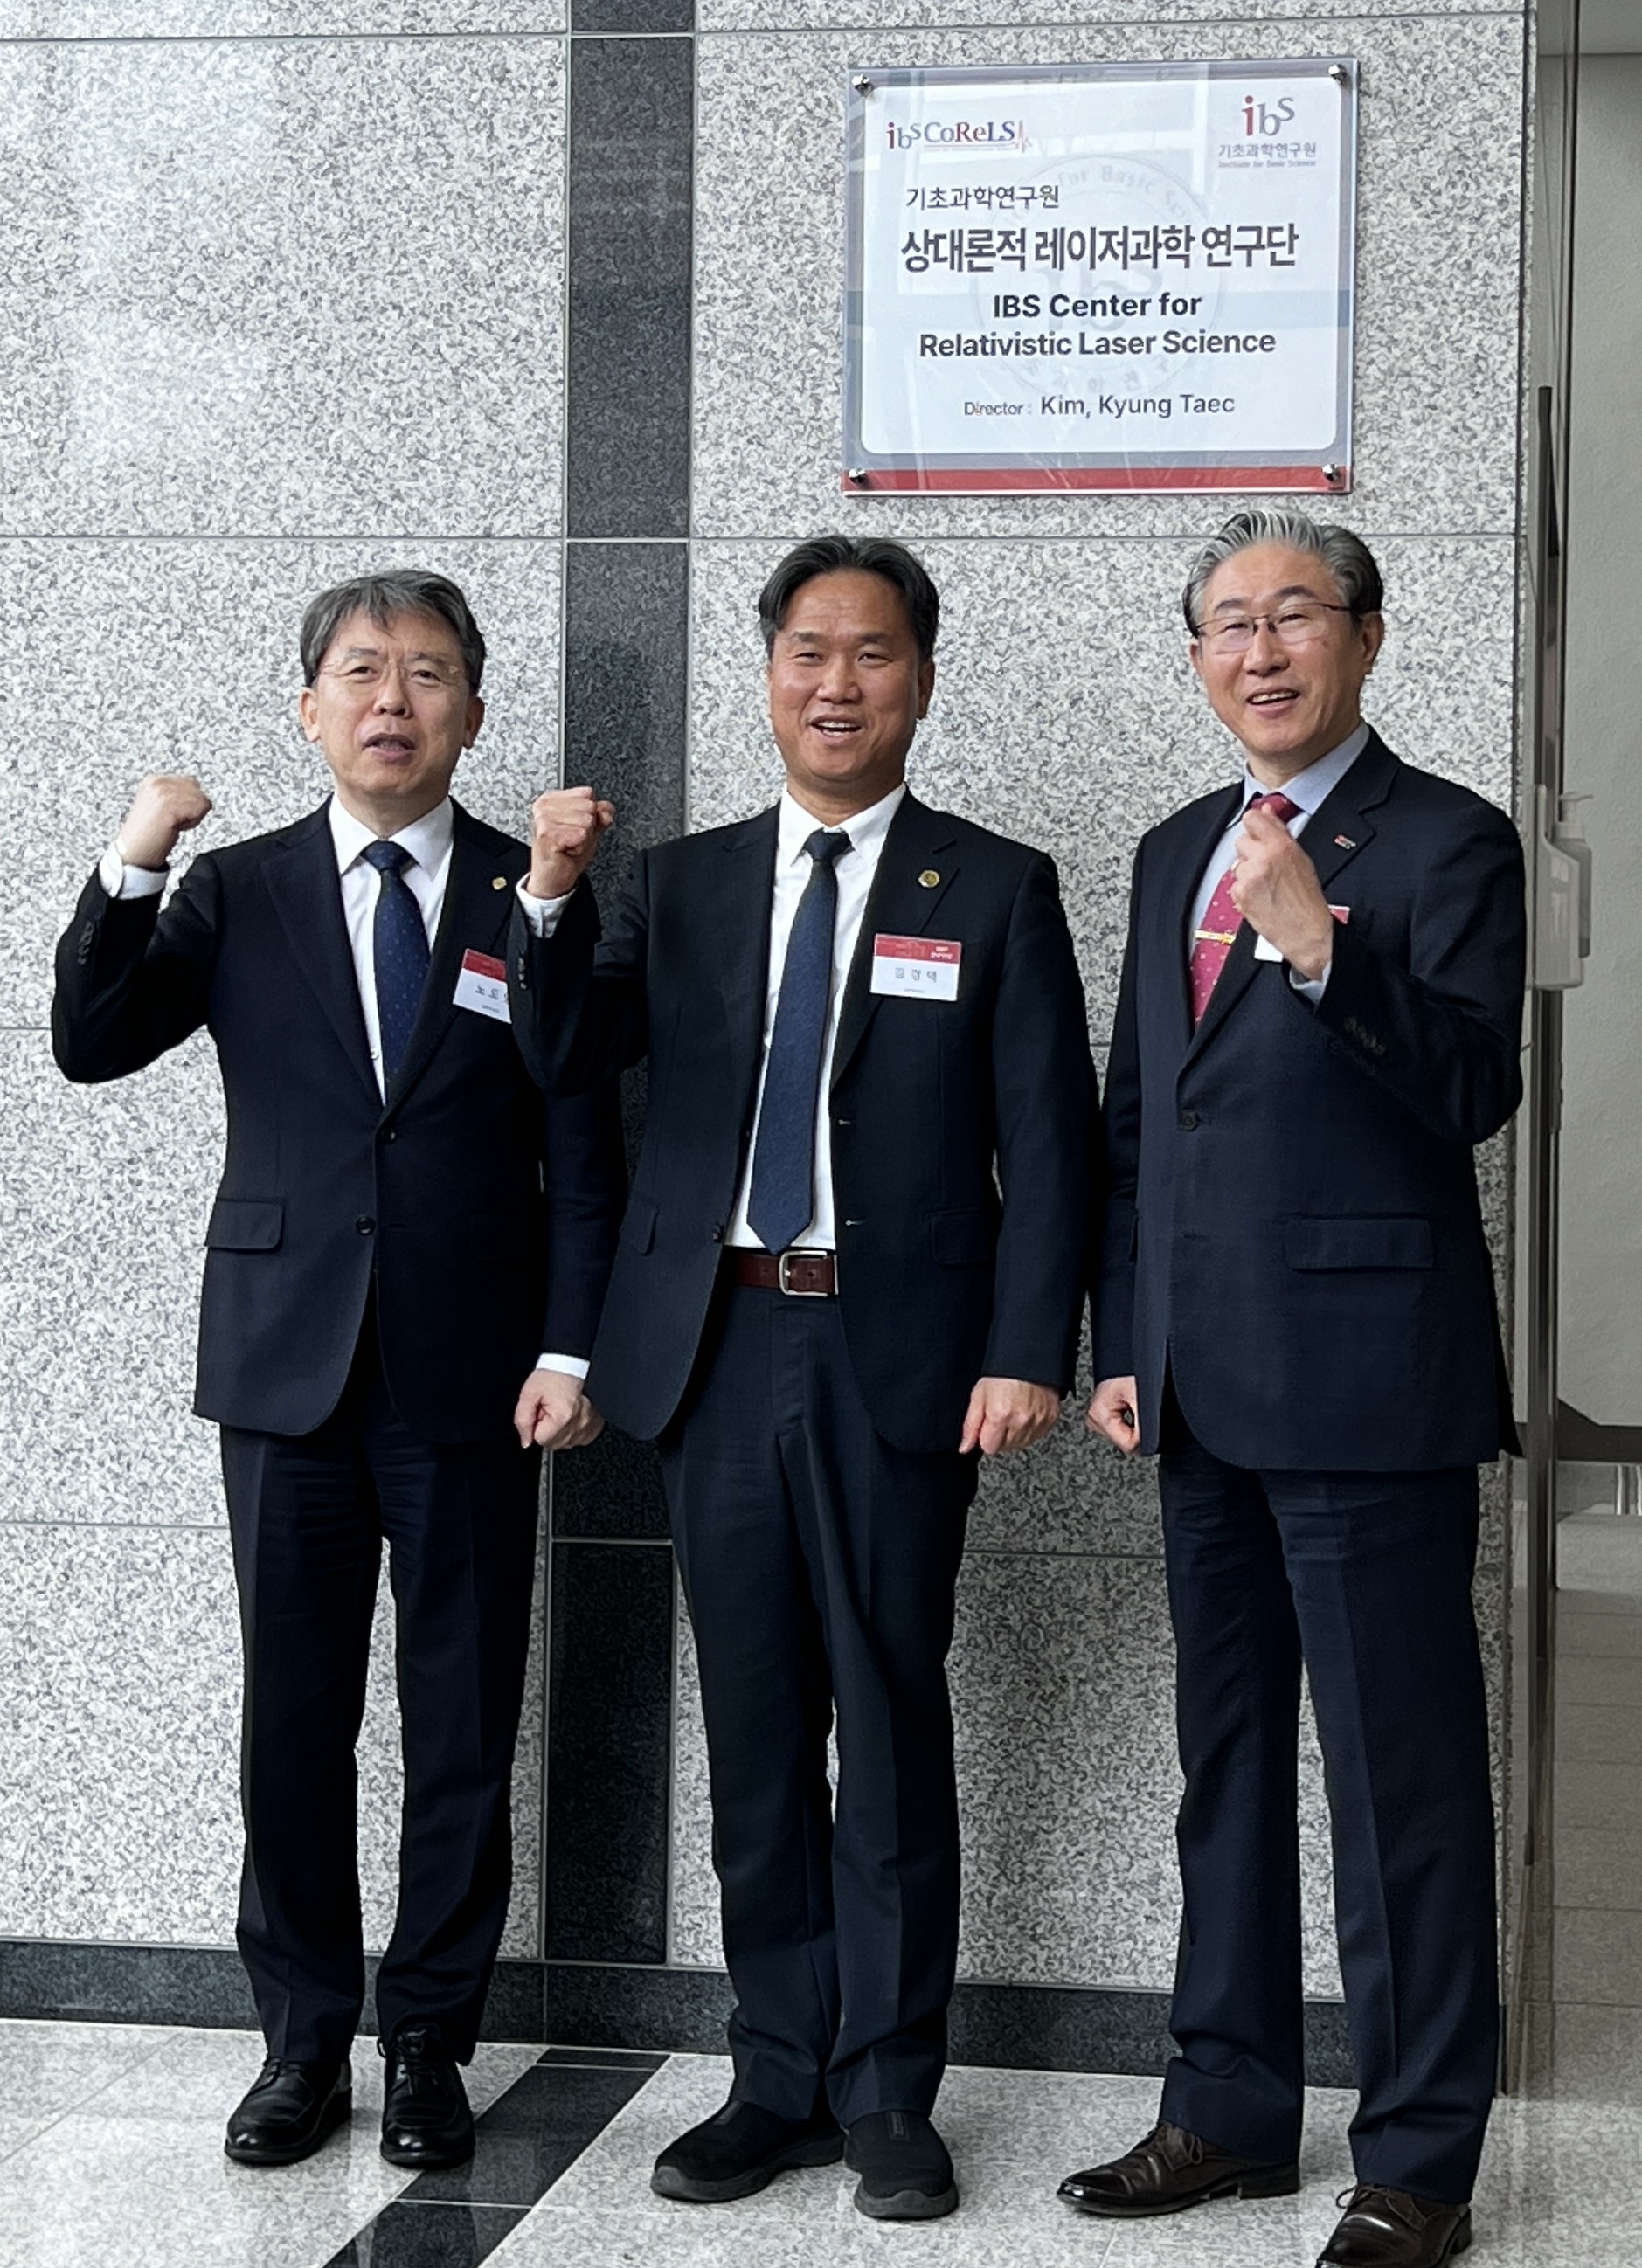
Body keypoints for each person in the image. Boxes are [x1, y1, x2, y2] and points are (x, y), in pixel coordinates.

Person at [504, 536, 1097, 2223]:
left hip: (896, 1358)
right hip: (713, 1348)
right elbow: (562, 1062)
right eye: (808, 653)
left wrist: (1023, 1351)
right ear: (766, 672)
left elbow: (1050, 1148)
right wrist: (549, 896)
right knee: (757, 1733)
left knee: (891, 1722)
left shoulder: (990, 887)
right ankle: (774, 2076)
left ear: (922, 675)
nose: (838, 684)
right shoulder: (680, 886)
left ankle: (890, 2093)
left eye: (875, 654)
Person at [50, 570, 622, 2176]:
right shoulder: (230, 891)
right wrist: (135, 852)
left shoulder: (542, 889)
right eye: (362, 674)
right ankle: (301, 2038)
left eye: (429, 675)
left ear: (473, 714)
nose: (393, 701)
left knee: (460, 1725)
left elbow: (584, 1142)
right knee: (290, 1725)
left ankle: (432, 2035)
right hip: (286, 1373)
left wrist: (571, 1343)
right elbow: (92, 1041)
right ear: (310, 708)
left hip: (476, 1378)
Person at [1056, 509, 1524, 2268]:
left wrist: (1328, 951)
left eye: (1296, 615)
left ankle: (1417, 2153)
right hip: (1191, 1394)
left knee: (1400, 1779)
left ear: (1368, 639)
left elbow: (1476, 1086)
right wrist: (1123, 1338)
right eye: (1230, 622)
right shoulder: (1177, 841)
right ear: (1197, 659)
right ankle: (1227, 2104)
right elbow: (1134, 1126)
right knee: (1227, 1763)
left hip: (1370, 1389)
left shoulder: (1447, 841)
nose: (1264, 649)